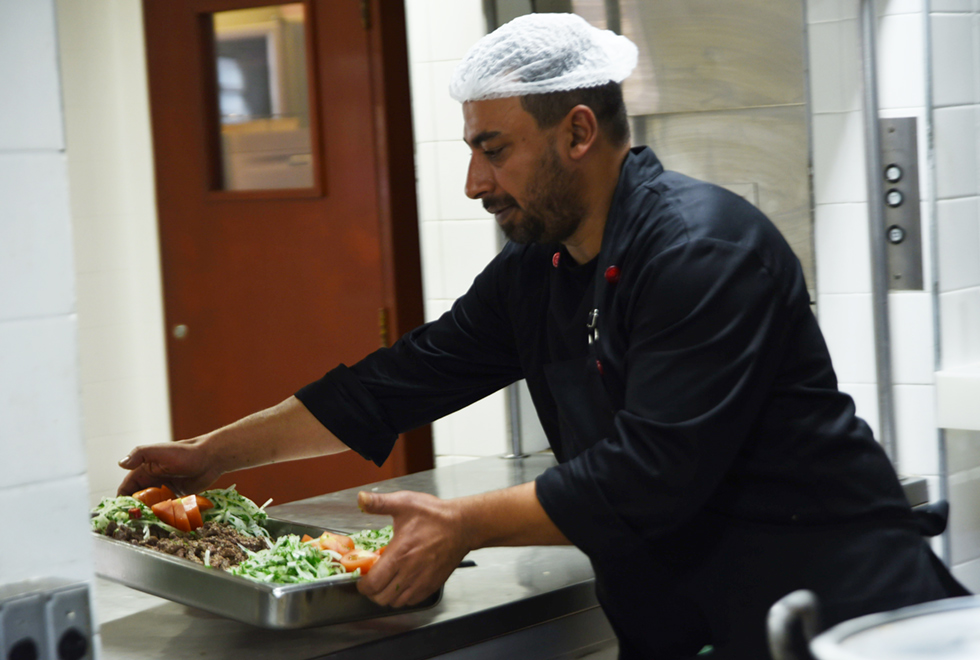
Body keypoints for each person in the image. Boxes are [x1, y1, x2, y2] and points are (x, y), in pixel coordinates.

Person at [118, 13, 968, 659]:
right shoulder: (541, 269)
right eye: (472, 149)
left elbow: (652, 473)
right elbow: (396, 382)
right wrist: (214, 455)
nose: (474, 181)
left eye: (495, 148)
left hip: (837, 618)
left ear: (578, 133)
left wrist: (464, 524)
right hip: (685, 621)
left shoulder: (703, 249)